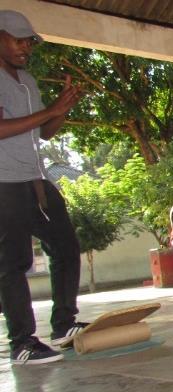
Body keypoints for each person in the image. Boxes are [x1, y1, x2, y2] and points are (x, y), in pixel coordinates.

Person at [0, 10, 87, 365]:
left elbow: (43, 132)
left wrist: (62, 109)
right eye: (17, 39)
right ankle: (22, 342)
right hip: (4, 180)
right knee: (14, 262)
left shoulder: (28, 81)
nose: (25, 46)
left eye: (28, 41)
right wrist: (49, 109)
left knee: (66, 247)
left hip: (36, 178)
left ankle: (64, 325)